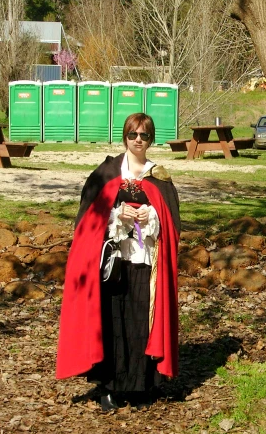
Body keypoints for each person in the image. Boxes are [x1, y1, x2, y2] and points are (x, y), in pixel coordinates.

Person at [56, 113, 181, 411]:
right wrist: (117, 216)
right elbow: (87, 219)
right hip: (112, 262)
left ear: (151, 140)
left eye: (145, 135)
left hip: (145, 259)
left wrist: (150, 216)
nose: (138, 140)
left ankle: (140, 387)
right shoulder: (106, 173)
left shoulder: (160, 176)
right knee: (111, 320)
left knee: (141, 320)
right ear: (124, 136)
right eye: (133, 134)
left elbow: (172, 223)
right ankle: (109, 388)